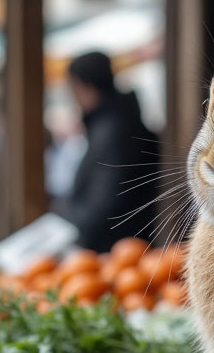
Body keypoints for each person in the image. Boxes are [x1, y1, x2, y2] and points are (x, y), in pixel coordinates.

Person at [54, 52, 160, 252]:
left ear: (85, 86)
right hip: (124, 246)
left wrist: (70, 220)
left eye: (73, 89)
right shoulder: (116, 122)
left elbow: (104, 203)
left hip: (118, 249)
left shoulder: (114, 131)